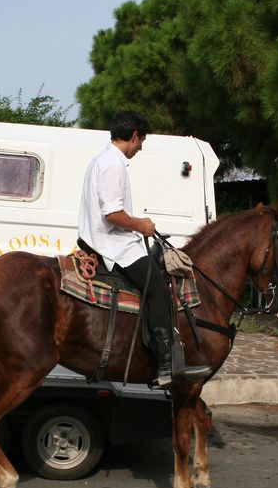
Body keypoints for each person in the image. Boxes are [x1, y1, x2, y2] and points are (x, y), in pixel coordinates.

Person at [78, 110, 210, 387]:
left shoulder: (101, 160)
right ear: (135, 136)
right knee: (158, 290)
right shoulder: (113, 164)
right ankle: (165, 365)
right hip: (115, 245)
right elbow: (112, 214)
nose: (140, 148)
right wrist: (142, 225)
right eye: (142, 142)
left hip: (109, 241)